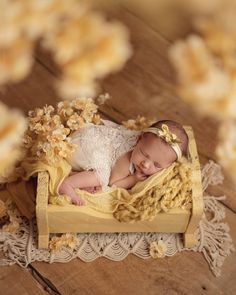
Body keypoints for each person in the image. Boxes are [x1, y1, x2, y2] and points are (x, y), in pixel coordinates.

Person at [59, 119, 189, 205]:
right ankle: (68, 184)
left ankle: (80, 176)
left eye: (157, 165)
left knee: (100, 171)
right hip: (82, 146)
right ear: (138, 139)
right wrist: (133, 179)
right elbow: (113, 183)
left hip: (89, 141)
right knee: (102, 177)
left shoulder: (149, 144)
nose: (146, 164)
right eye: (144, 154)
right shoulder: (127, 158)